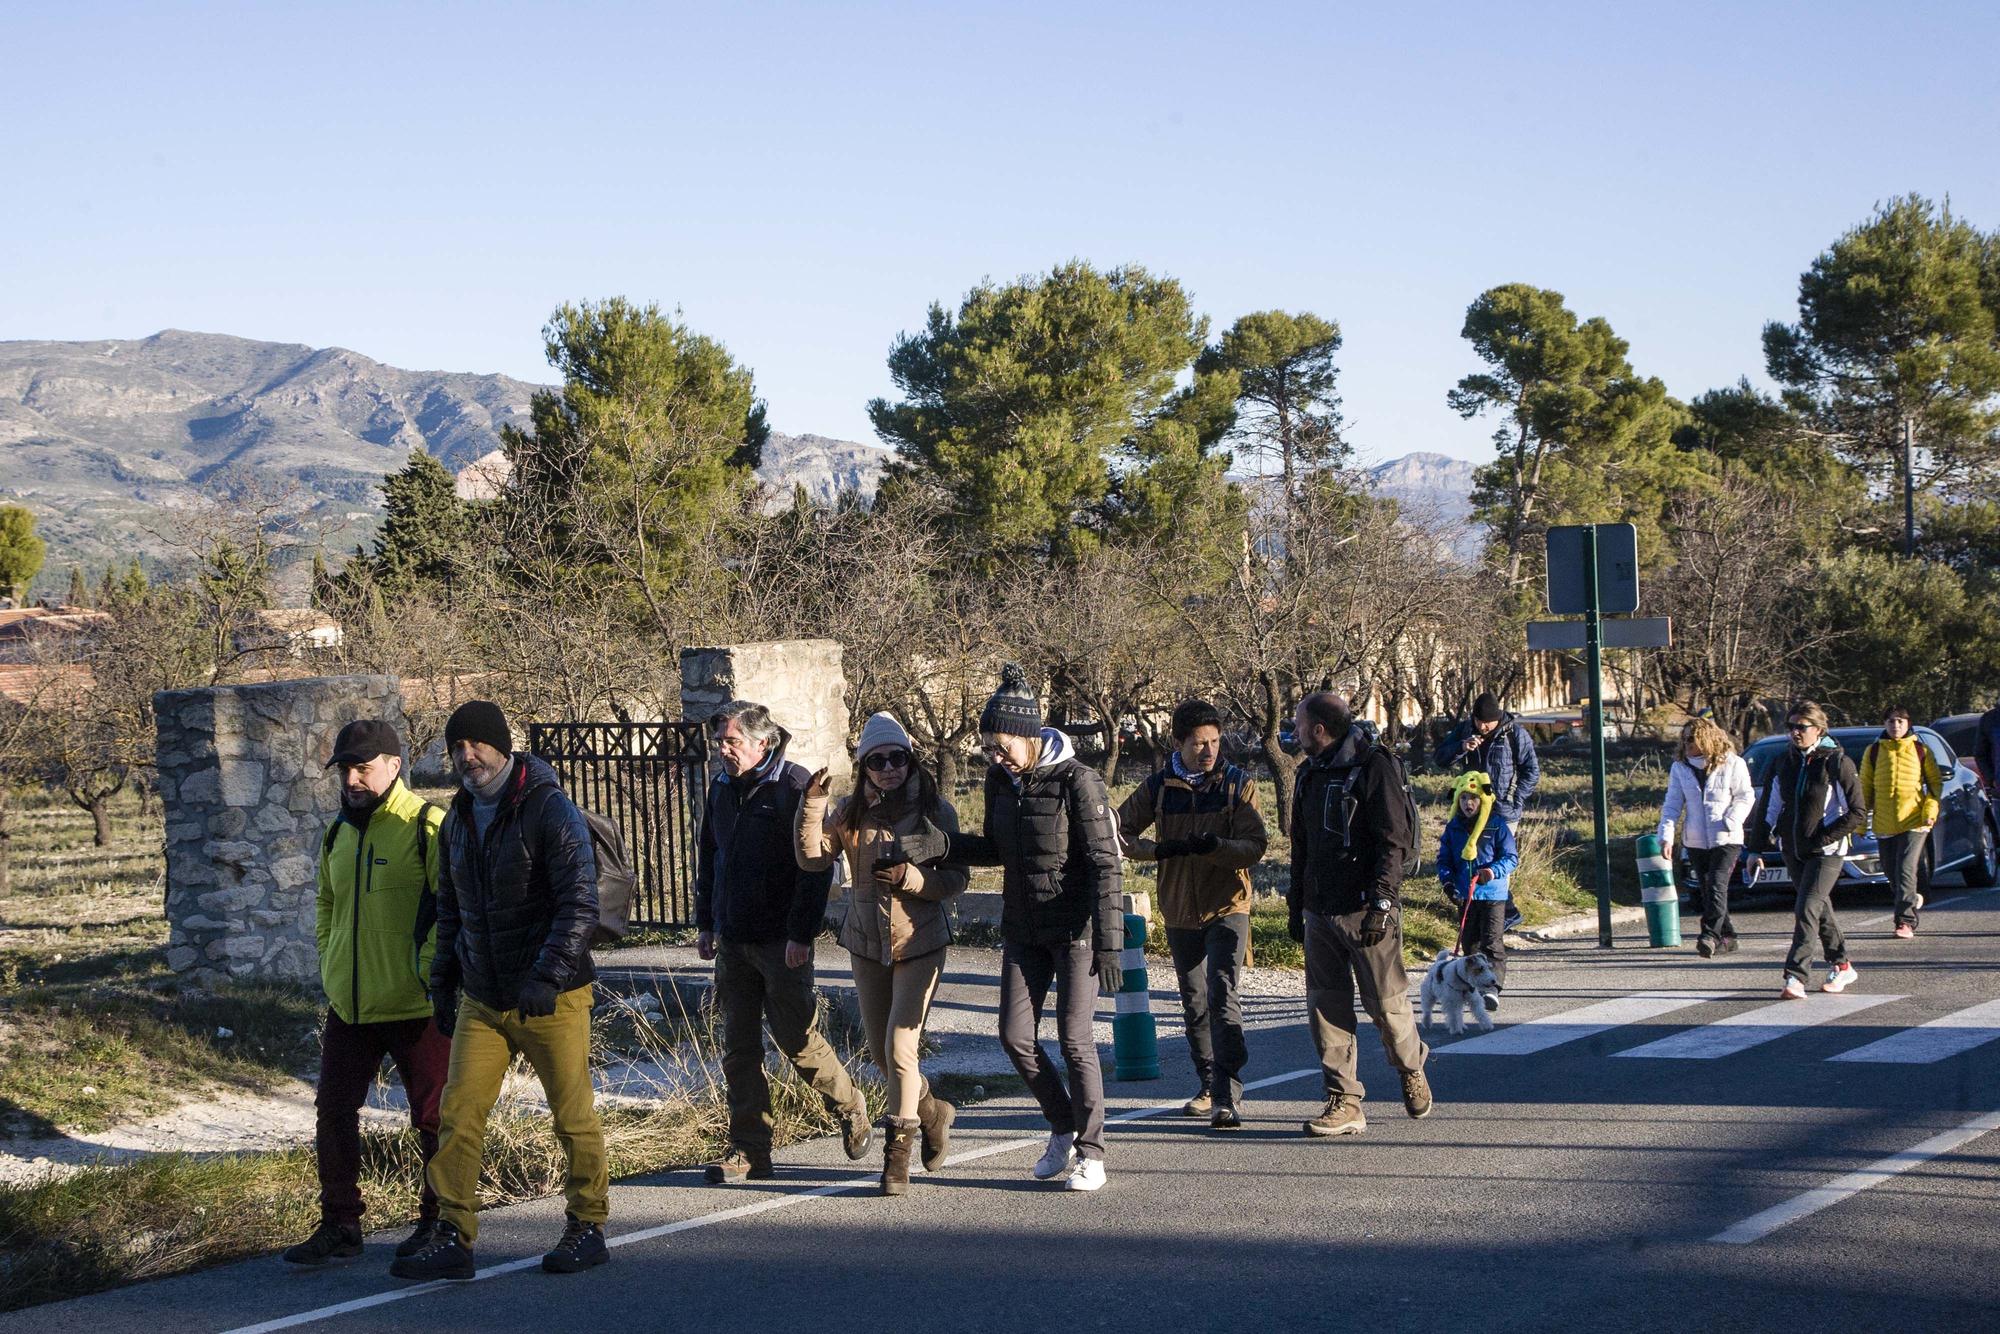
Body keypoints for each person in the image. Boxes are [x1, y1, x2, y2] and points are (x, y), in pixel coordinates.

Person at [393, 701, 608, 1281]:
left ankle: (587, 1226)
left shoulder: (548, 808)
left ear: (503, 746)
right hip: (483, 998)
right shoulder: (458, 818)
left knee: (572, 1116)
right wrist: (442, 983)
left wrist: (547, 975)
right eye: (457, 748)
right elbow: (451, 908)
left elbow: (579, 905)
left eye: (478, 745)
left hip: (552, 996)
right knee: (458, 1114)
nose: (468, 757)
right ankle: (454, 1235)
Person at [929, 665, 1123, 1191]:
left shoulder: (1078, 781)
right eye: (988, 747)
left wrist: (1110, 945)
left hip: (1075, 929)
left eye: (1000, 745)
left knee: (1075, 1039)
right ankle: (1062, 1127)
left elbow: (1106, 864)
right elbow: (995, 848)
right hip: (1023, 927)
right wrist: (941, 845)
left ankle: (1092, 1151)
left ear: (1030, 735)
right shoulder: (1000, 781)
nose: (993, 756)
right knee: (1015, 1037)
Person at [283, 719, 451, 1267]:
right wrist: (332, 962)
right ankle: (340, 1223)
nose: (353, 779)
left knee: (432, 1119)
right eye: (346, 769)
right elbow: (327, 904)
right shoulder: (338, 832)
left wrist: (424, 971)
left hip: (416, 1005)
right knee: (332, 1111)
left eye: (364, 767)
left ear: (394, 765)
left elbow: (450, 910)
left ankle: (439, 1222)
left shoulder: (428, 824)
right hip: (350, 1005)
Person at [697, 700, 872, 1186]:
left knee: (796, 1038)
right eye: (720, 743)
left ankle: (850, 1105)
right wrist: (706, 922)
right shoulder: (720, 789)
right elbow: (709, 855)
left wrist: (801, 933)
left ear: (762, 742)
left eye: (731, 741)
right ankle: (750, 1150)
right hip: (734, 940)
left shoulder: (794, 785)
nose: (723, 750)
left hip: (781, 941)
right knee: (738, 1048)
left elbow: (815, 867)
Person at [794, 712, 968, 1195]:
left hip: (920, 943)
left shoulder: (935, 810)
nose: (889, 767)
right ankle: (933, 1113)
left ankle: (897, 1159)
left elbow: (957, 879)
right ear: (865, 765)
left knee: (900, 1048)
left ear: (910, 762)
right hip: (867, 943)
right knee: (879, 1054)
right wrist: (813, 804)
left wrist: (915, 880)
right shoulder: (851, 812)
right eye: (878, 760)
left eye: (897, 758)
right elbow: (812, 858)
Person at [1115, 698, 1267, 1131]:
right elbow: (1118, 830)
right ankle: (1205, 1084)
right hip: (1180, 908)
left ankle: (1226, 1093)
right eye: (1200, 743)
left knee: (1222, 996)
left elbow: (1256, 845)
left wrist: (1217, 848)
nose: (1209, 750)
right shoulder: (1159, 787)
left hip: (1228, 906)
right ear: (1178, 742)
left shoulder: (1238, 784)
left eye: (1215, 742)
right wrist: (1157, 850)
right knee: (1195, 1002)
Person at [1288, 692, 1432, 1136]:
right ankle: (1344, 1100)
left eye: (1298, 724)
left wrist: (1383, 904)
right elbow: (1301, 846)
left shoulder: (1375, 767)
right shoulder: (1308, 774)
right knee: (1325, 1009)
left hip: (1366, 910)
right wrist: (1298, 906)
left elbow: (1394, 841)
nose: (1293, 732)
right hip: (1320, 911)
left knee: (1386, 1007)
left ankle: (1410, 1066)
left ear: (1318, 729)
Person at [1766, 701, 1865, 1001]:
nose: (1795, 733)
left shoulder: (1836, 762)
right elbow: (1772, 805)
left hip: (1827, 851)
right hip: (1793, 848)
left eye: (1802, 727)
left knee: (1806, 908)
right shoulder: (1785, 762)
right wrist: (1764, 840)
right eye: (1791, 727)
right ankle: (1843, 964)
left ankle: (1795, 976)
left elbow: (1857, 812)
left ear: (1819, 730)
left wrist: (1824, 837)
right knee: (1819, 910)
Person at [1433, 692, 1540, 929]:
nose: (1482, 726)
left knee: (1499, 861)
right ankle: (1490, 914)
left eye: (1487, 722)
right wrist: (1462, 747)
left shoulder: (1515, 734)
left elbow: (1531, 771)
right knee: (1472, 861)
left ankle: (1498, 917)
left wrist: (1515, 797)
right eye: (1478, 721)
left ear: (1498, 718)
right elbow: (1440, 758)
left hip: (1503, 810)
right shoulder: (1465, 730)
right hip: (1470, 810)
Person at [1658, 718, 1756, 958]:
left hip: (1726, 837)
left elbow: (1745, 796)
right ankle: (1729, 937)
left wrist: (1731, 820)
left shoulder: (1733, 763)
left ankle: (1709, 935)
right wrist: (1667, 836)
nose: (1687, 743)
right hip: (1695, 839)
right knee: (1707, 889)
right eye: (1684, 739)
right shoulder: (1680, 767)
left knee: (1716, 885)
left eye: (1692, 738)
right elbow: (1672, 804)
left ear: (1707, 738)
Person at [1860, 707, 1941, 940]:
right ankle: (1909, 897)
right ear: (1884, 724)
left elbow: (1934, 785)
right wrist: (1858, 822)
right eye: (1891, 721)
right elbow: (1865, 786)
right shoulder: (1873, 751)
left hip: (1914, 820)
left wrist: (1930, 811)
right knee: (1891, 871)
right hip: (1885, 822)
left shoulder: (1920, 750)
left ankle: (1905, 921)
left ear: (1908, 724)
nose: (1895, 726)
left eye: (1900, 721)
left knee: (1905, 869)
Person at [1435, 771, 1516, 1003]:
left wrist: (1491, 872)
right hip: (1465, 895)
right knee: (1470, 945)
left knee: (1491, 942)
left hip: (1492, 893)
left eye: (1473, 798)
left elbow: (1511, 857)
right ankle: (1471, 988)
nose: (1468, 803)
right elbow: (1444, 861)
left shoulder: (1497, 826)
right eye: (1463, 798)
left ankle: (1492, 988)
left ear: (1483, 800)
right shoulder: (1453, 828)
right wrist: (1448, 883)